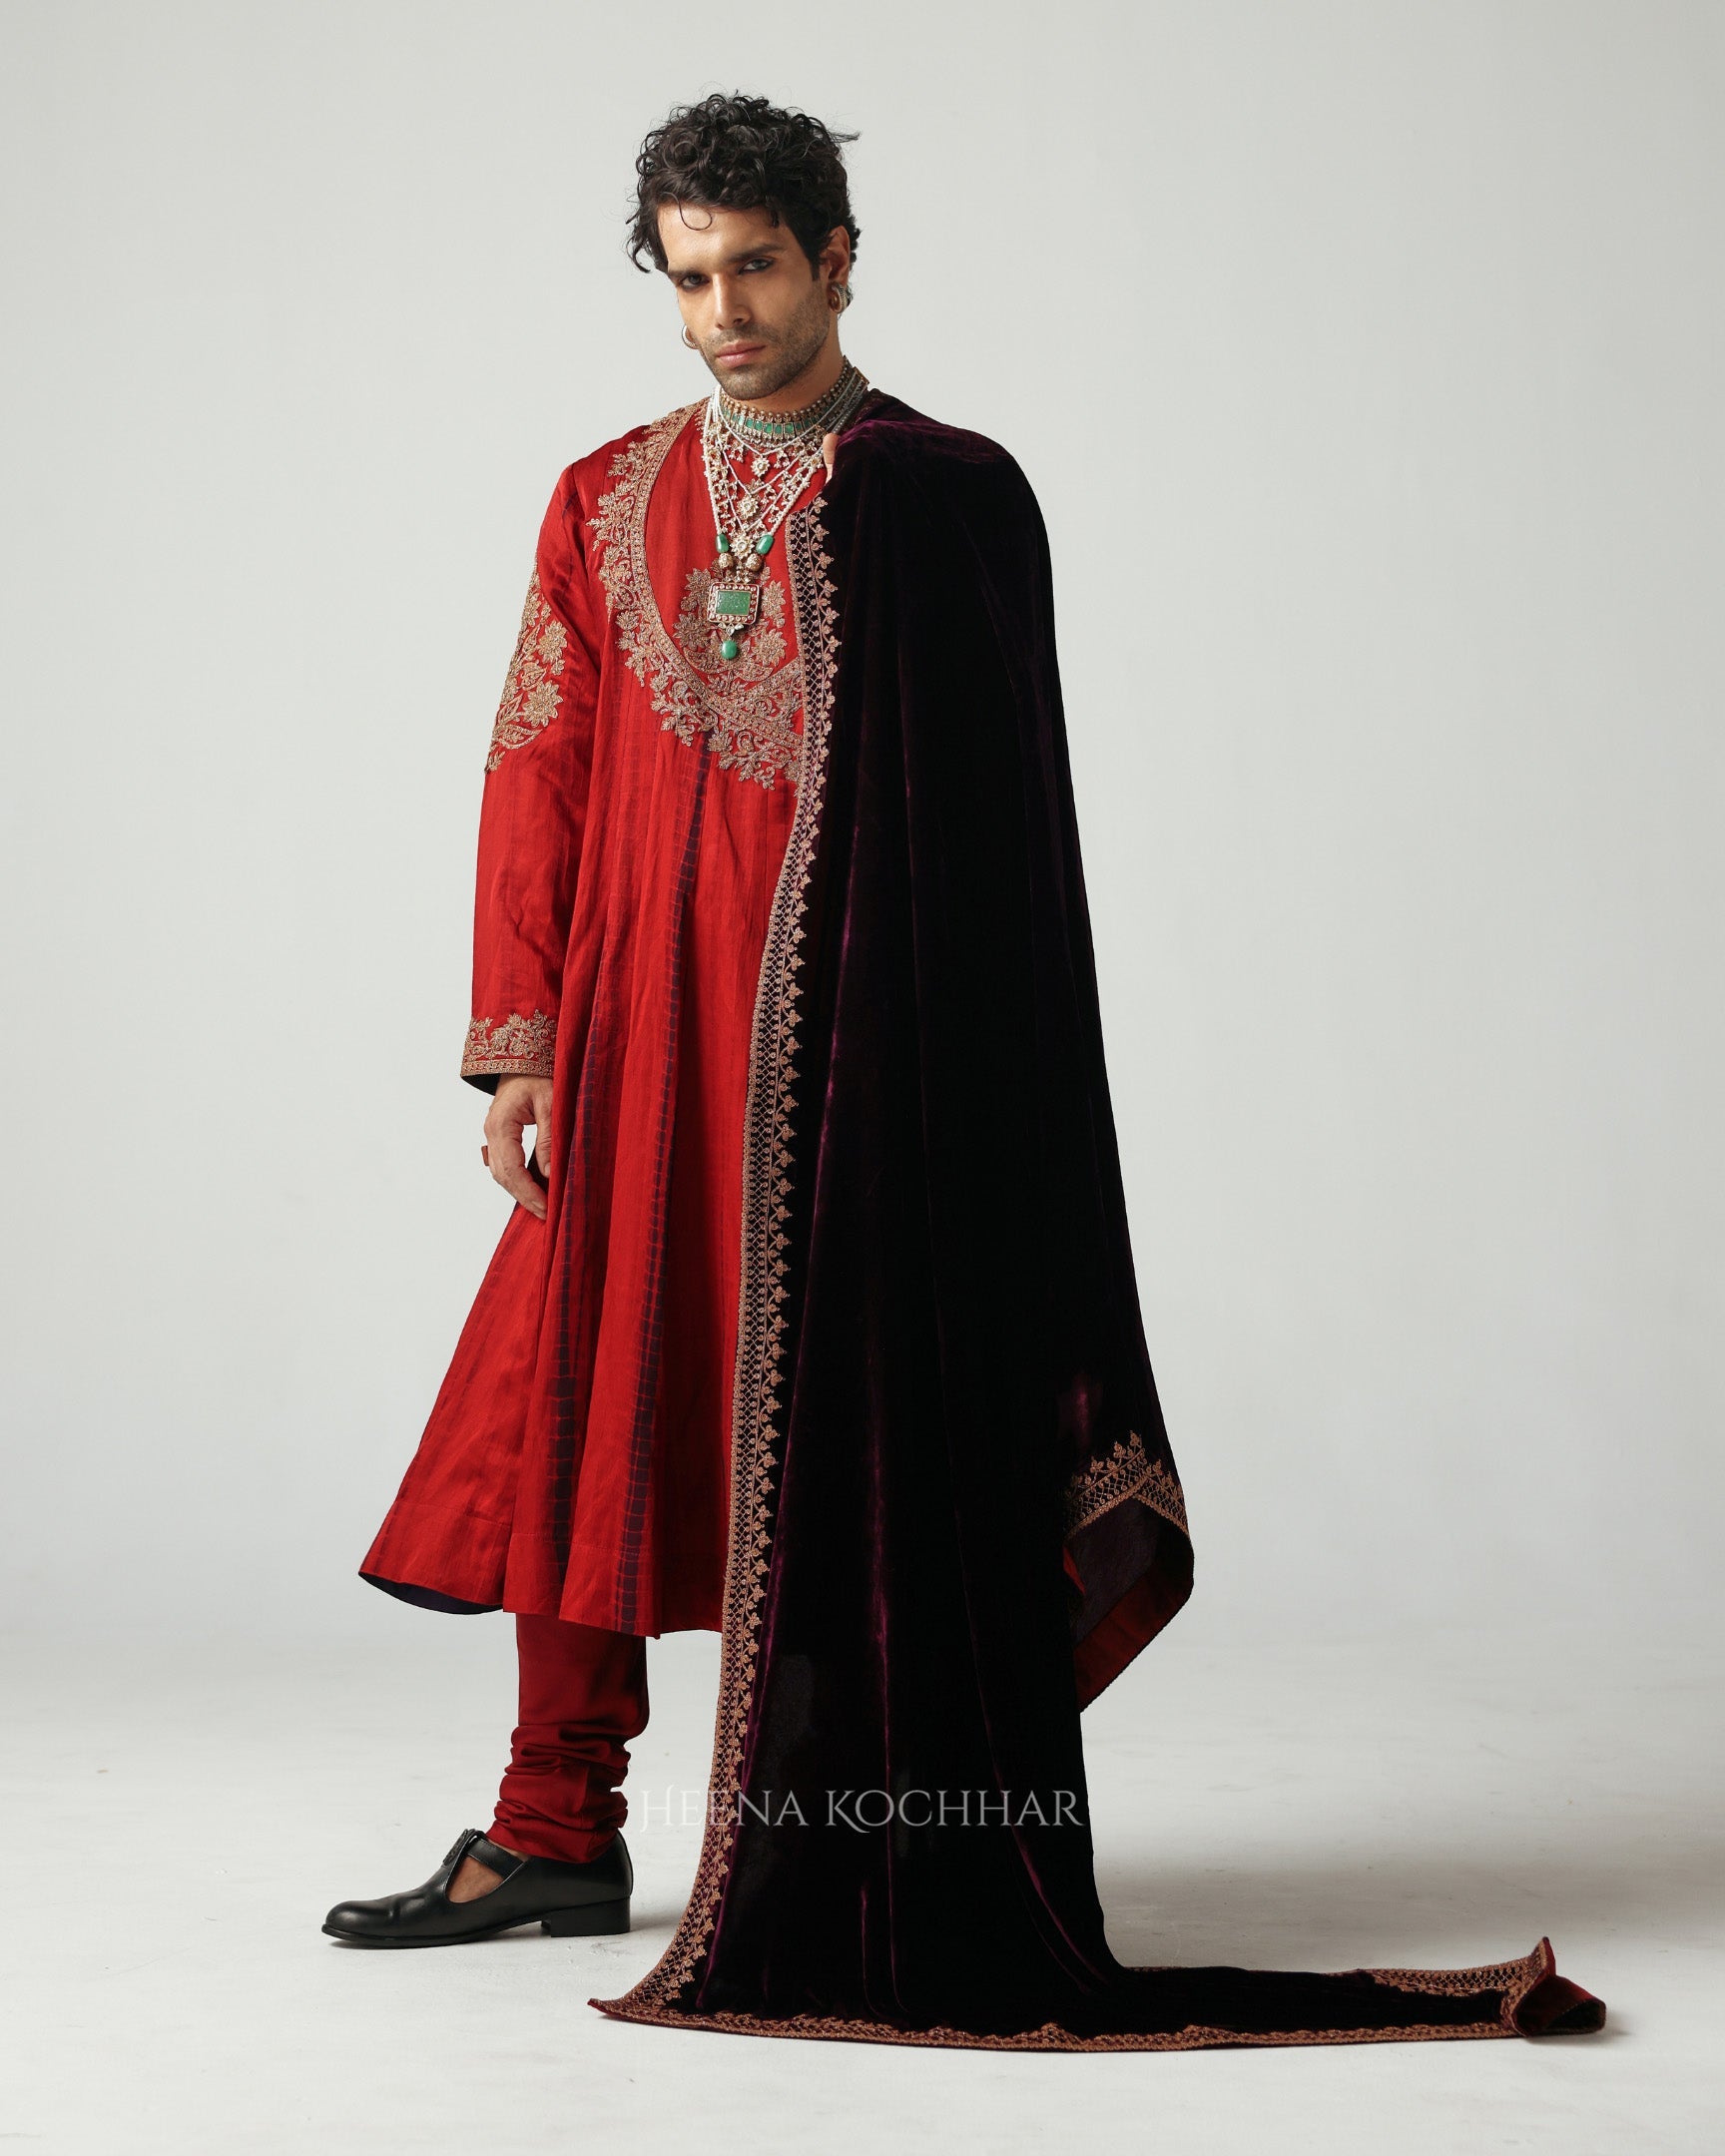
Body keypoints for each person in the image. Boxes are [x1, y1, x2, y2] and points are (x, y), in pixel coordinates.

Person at [324, 93, 1603, 2051]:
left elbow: (1004, 831)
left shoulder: (943, 494)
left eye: (759, 267)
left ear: (839, 259)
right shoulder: (597, 497)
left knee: (835, 1433)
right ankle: (551, 1826)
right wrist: (522, 1041)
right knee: (586, 1398)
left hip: (852, 1060)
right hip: (637, 1037)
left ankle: (843, 1841)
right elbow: (540, 763)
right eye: (691, 277)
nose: (725, 312)